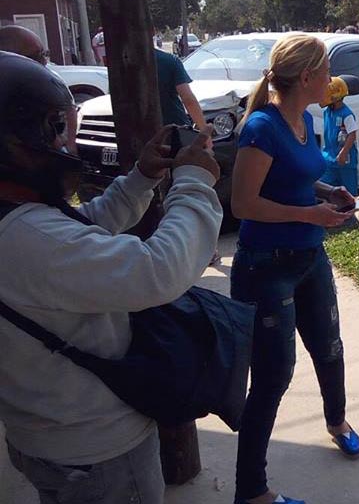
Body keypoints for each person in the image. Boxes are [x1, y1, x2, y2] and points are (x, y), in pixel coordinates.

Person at [0, 51, 222, 504]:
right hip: (96, 450)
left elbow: (82, 230)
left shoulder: (20, 220)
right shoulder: (25, 236)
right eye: (55, 129)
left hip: (49, 436)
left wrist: (140, 178)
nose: (64, 144)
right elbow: (157, 271)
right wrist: (195, 184)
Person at [230, 33, 359, 504]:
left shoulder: (304, 118)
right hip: (267, 266)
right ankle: (252, 492)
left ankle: (336, 421)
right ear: (307, 77)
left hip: (309, 258)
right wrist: (310, 214)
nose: (332, 79)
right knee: (272, 376)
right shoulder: (262, 128)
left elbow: (299, 177)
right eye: (327, 71)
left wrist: (326, 194)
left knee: (329, 348)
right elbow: (243, 203)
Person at [0, 25, 79, 154]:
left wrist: (70, 148)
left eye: (44, 54)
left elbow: (69, 110)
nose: (44, 62)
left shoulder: (49, 80)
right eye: (35, 57)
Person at [154, 38, 207, 130]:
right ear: (153, 31)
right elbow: (188, 100)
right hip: (173, 129)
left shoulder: (123, 64)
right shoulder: (169, 61)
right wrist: (205, 134)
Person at [319, 76, 359, 195]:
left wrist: (344, 152)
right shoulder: (327, 112)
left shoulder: (346, 114)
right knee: (326, 189)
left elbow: (352, 134)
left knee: (349, 193)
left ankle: (352, 213)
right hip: (329, 158)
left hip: (345, 161)